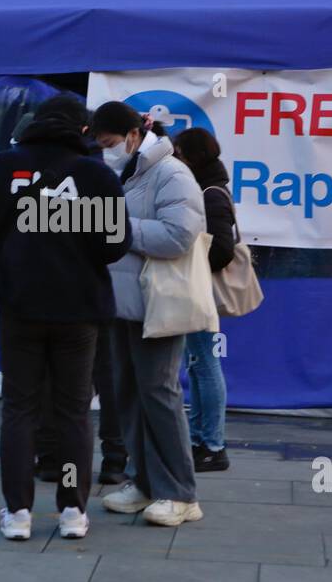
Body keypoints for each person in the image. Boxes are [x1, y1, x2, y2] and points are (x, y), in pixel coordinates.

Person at [0, 94, 131, 541]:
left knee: (19, 408)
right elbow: (115, 244)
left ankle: (18, 511)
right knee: (73, 411)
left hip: (18, 303)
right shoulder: (95, 174)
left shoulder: (2, 167)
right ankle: (72, 512)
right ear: (83, 130)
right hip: (78, 308)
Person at [91, 101, 205, 527]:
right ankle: (144, 482)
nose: (107, 151)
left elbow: (179, 235)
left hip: (156, 304)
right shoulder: (126, 172)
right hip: (123, 303)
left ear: (135, 135)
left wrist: (118, 229)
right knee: (127, 394)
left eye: (110, 143)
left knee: (159, 394)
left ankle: (180, 492)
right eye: (101, 145)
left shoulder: (172, 173)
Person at [173, 127, 236, 472]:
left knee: (206, 366)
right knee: (198, 366)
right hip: (198, 290)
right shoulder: (208, 188)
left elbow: (222, 250)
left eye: (180, 152)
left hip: (201, 291)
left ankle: (212, 444)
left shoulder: (209, 193)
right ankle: (203, 441)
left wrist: (190, 264)